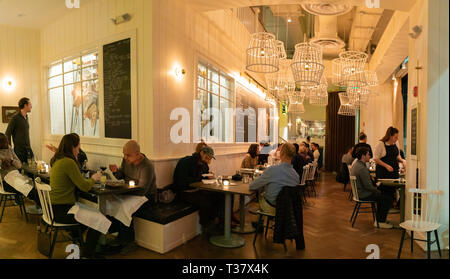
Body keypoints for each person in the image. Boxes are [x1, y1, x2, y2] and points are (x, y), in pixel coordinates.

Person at [49, 133, 103, 258]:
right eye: (78, 145)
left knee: (87, 213)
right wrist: (94, 178)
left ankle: (79, 241)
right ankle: (88, 254)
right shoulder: (68, 162)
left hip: (54, 209)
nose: (79, 148)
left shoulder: (57, 160)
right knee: (98, 218)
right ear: (73, 147)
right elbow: (84, 186)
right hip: (63, 211)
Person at [107, 140, 157, 250]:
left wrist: (123, 193)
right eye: (124, 154)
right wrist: (115, 171)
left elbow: (143, 190)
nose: (125, 157)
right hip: (129, 193)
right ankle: (120, 236)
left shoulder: (147, 166)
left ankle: (129, 241)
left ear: (138, 154)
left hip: (147, 197)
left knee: (125, 207)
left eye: (128, 155)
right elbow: (121, 175)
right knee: (112, 202)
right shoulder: (126, 160)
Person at [172, 146, 224, 233]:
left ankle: (219, 221)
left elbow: (204, 176)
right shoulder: (186, 162)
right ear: (201, 153)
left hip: (197, 190)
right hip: (184, 192)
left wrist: (209, 176)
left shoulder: (204, 164)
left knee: (219, 195)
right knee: (206, 201)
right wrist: (201, 178)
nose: (209, 159)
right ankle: (206, 226)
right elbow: (182, 181)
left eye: (210, 158)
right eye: (207, 157)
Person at [250, 143, 300, 215]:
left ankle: (260, 222)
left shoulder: (272, 170)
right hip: (289, 209)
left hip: (272, 207)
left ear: (281, 153)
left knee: (262, 194)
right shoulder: (296, 176)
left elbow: (252, 186)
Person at [351, 147, 394, 229]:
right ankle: (380, 221)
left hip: (359, 193)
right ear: (363, 156)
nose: (370, 156)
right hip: (364, 194)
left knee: (383, 195)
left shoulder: (356, 165)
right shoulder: (362, 168)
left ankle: (379, 219)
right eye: (368, 154)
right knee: (387, 199)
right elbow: (368, 186)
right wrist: (378, 191)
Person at [0, 133, 41, 209]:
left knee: (34, 188)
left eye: (6, 142)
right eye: (4, 142)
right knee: (31, 192)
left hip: (15, 175)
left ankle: (45, 208)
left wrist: (11, 161)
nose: (7, 144)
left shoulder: (9, 149)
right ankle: (47, 210)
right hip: (5, 181)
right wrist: (2, 161)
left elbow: (19, 165)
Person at [5, 98, 34, 163]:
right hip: (19, 151)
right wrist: (10, 150)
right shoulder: (15, 118)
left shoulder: (26, 117)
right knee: (19, 171)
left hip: (28, 149)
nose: (31, 106)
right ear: (25, 105)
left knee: (32, 169)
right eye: (30, 104)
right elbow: (7, 133)